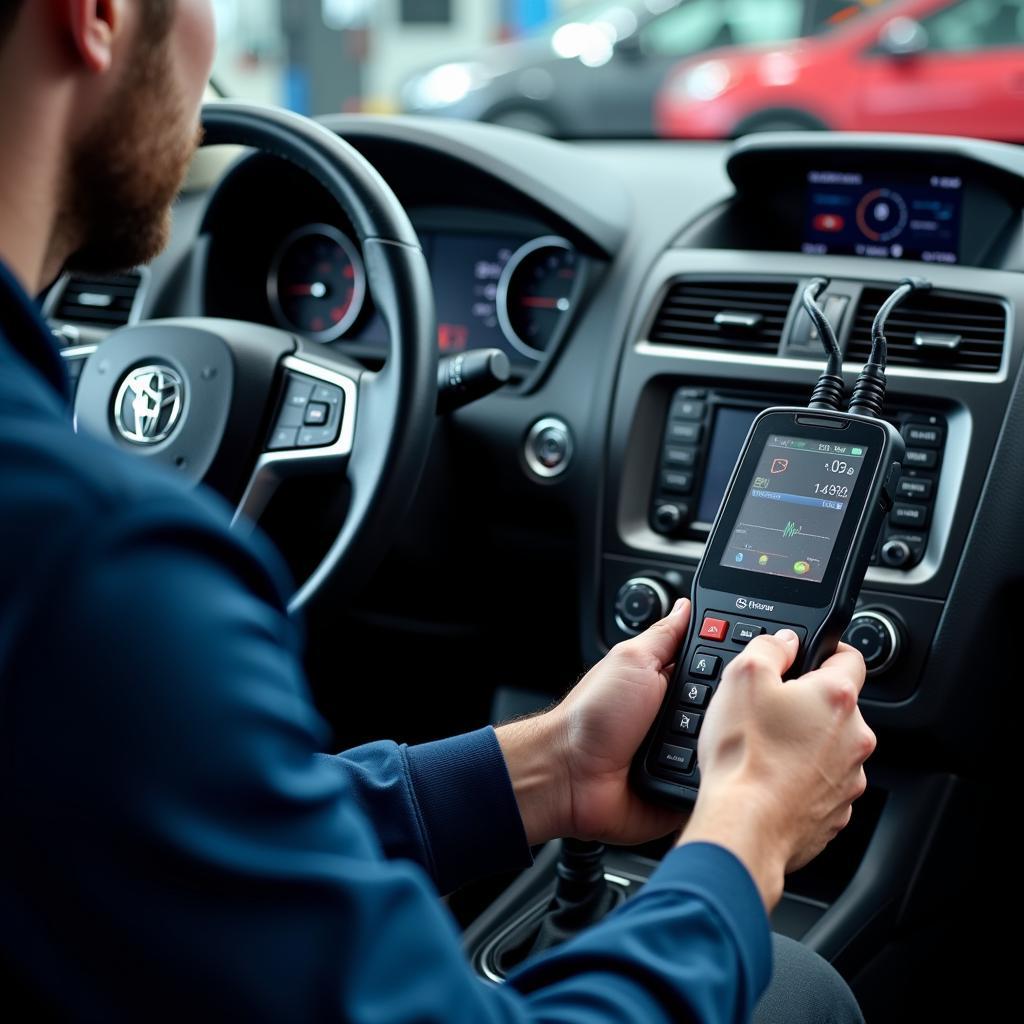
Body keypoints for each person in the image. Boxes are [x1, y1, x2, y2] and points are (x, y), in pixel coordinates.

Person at [0, 2, 873, 1020]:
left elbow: (153, 814)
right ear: (97, 16)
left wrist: (544, 767)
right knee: (797, 988)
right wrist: (744, 835)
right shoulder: (101, 568)